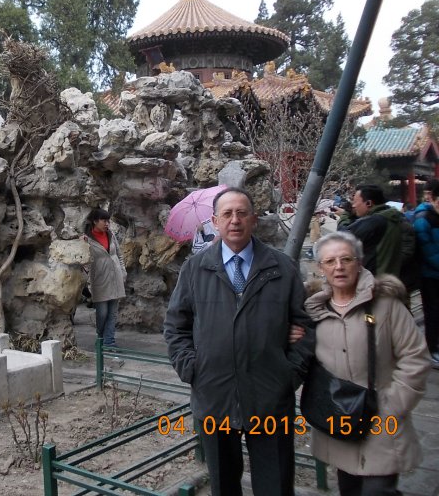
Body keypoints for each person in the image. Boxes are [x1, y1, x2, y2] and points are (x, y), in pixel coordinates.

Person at [164, 187, 314, 496]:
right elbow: (176, 326)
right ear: (215, 222)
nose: (235, 221)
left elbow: (304, 327)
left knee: (275, 484)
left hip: (269, 397)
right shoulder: (195, 269)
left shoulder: (281, 268)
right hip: (214, 397)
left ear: (254, 220)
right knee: (224, 486)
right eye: (227, 214)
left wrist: (289, 374)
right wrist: (193, 369)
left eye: (242, 213)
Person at [305, 232, 430, 494]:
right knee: (348, 487)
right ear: (321, 268)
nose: (338, 267)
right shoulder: (315, 310)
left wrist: (392, 404)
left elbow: (415, 357)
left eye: (346, 259)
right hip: (338, 421)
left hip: (381, 420)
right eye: (330, 262)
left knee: (378, 489)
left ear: (359, 262)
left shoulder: (386, 305)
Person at [82, 208, 127, 350]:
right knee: (102, 313)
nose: (107, 223)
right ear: (95, 221)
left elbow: (119, 254)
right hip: (99, 280)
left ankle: (109, 341)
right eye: (104, 220)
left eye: (108, 221)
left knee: (113, 313)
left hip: (115, 277)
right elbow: (84, 261)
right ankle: (100, 337)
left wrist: (123, 271)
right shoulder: (87, 239)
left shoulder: (110, 234)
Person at [337, 184, 404, 277]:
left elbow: (343, 237)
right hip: (389, 277)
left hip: (374, 280)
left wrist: (345, 215)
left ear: (368, 203)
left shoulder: (374, 221)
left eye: (355, 202)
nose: (353, 205)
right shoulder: (392, 217)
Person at [412, 178, 439, 369]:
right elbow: (428, 251)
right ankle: (433, 348)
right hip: (429, 275)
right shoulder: (423, 219)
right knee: (433, 312)